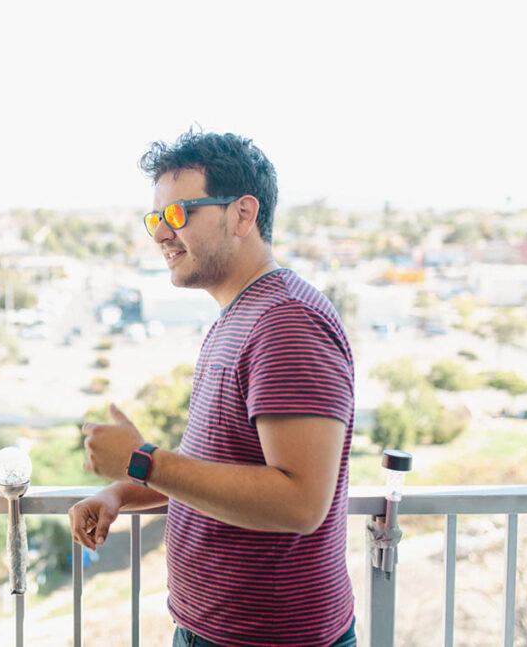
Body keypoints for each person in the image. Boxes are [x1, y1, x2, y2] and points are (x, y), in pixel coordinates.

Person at [69, 131, 357, 646]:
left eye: (178, 215)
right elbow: (218, 470)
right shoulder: (240, 317)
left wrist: (142, 460)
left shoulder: (286, 321)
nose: (161, 234)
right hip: (215, 632)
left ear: (243, 215)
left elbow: (300, 502)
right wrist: (120, 492)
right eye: (155, 219)